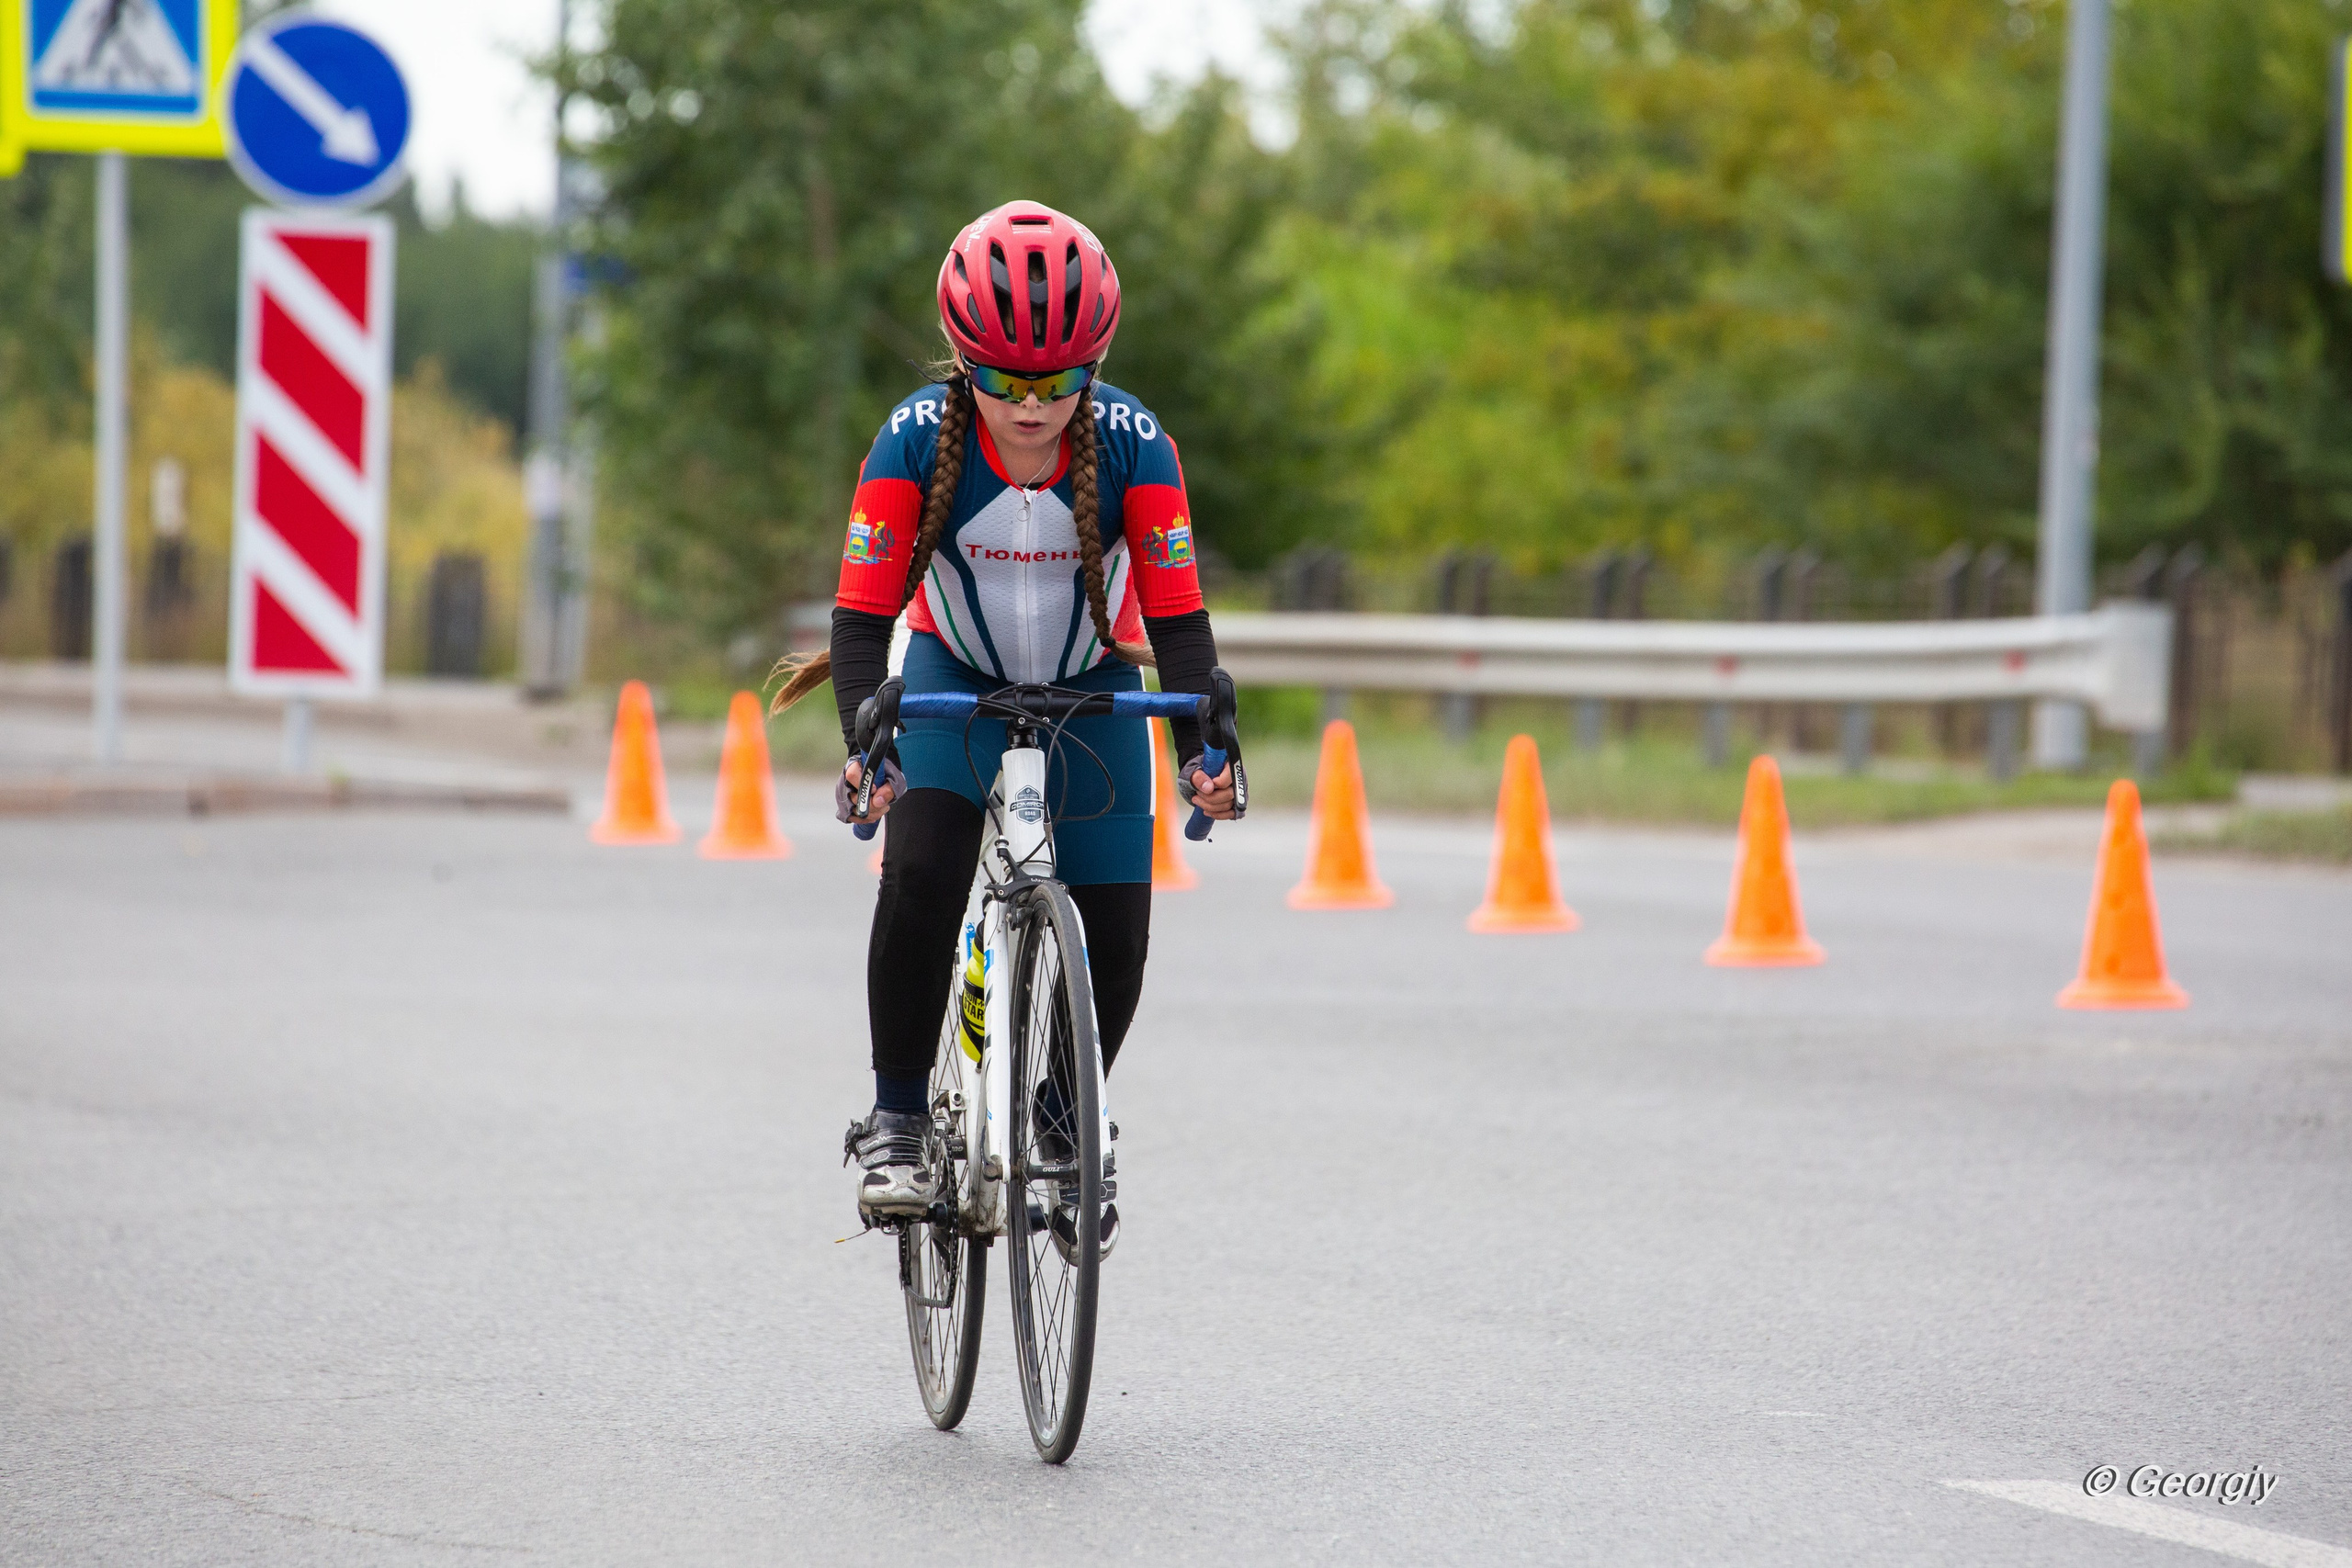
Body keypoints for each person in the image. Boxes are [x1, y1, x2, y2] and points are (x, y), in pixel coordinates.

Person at [771, 200, 1239, 1252]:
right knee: (925, 874)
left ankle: (1065, 1128)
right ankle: (897, 1120)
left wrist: (1209, 744)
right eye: (1003, 382)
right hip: (950, 681)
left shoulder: (1135, 445)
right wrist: (867, 740)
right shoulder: (910, 438)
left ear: (1096, 365)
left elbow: (1177, 616)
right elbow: (859, 617)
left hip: (1093, 686)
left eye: (1059, 383)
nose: (1030, 407)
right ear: (962, 361)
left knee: (1116, 937)